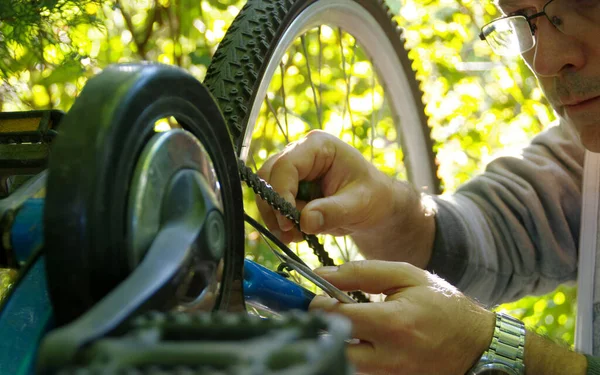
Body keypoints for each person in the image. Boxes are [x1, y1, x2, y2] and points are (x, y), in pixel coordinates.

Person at [255, 0, 600, 373]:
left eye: (583, 4)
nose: (544, 62)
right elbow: (492, 234)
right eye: (523, 21)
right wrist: (385, 210)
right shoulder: (585, 159)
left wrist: (496, 353)